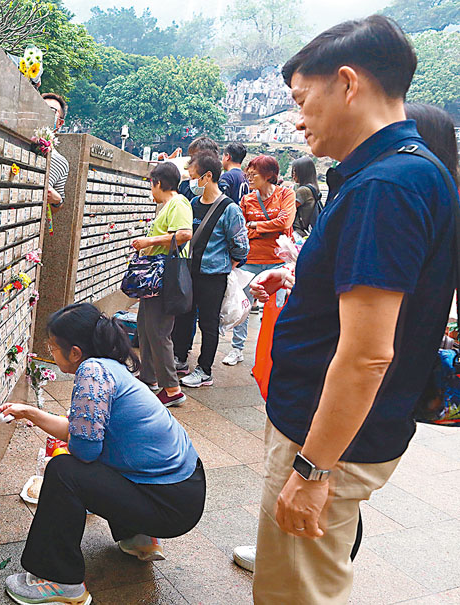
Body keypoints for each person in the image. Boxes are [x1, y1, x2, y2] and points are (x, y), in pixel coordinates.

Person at [242, 17, 456, 605]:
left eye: (302, 98)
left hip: (327, 438)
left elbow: (366, 354)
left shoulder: (389, 185)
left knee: (297, 592)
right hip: (336, 429)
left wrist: (312, 471)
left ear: (347, 83)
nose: (297, 116)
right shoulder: (408, 172)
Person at [0, 303, 205, 605]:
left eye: (54, 347)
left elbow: (83, 450)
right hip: (183, 488)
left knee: (63, 471)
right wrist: (30, 412)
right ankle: (140, 537)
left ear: (75, 352)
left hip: (170, 504)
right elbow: (84, 432)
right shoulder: (109, 366)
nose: (51, 352)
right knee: (99, 460)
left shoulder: (91, 374)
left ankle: (60, 581)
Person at [172, 152, 250, 387]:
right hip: (190, 271)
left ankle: (205, 370)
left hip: (213, 276)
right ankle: (180, 358)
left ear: (208, 176)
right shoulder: (194, 203)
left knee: (208, 323)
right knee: (184, 316)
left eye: (194, 176)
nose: (191, 182)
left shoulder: (230, 209)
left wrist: (229, 264)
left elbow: (241, 246)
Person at [223, 154, 295, 366]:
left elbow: (285, 222)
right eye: (248, 173)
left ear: (269, 175)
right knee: (243, 305)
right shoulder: (247, 200)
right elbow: (242, 230)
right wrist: (261, 228)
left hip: (279, 261)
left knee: (277, 308)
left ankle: (274, 353)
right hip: (251, 259)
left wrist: (256, 226)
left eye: (253, 174)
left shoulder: (285, 194)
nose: (248, 177)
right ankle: (237, 349)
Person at [130, 161, 192, 407]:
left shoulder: (178, 203)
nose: (151, 191)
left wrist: (148, 242)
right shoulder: (169, 205)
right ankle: (149, 377)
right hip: (156, 277)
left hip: (164, 277)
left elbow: (185, 233)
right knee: (146, 327)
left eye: (151, 185)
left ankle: (172, 388)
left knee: (158, 331)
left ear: (158, 183)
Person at [41, 93, 70, 213]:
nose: (44, 113)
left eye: (52, 111)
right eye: (41, 107)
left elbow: (53, 209)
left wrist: (57, 200)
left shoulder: (60, 162)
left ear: (60, 123)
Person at [291, 156, 321, 237]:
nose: (293, 175)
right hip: (306, 232)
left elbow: (288, 209)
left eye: (295, 171)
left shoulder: (303, 191)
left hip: (297, 232)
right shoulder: (314, 188)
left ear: (303, 173)